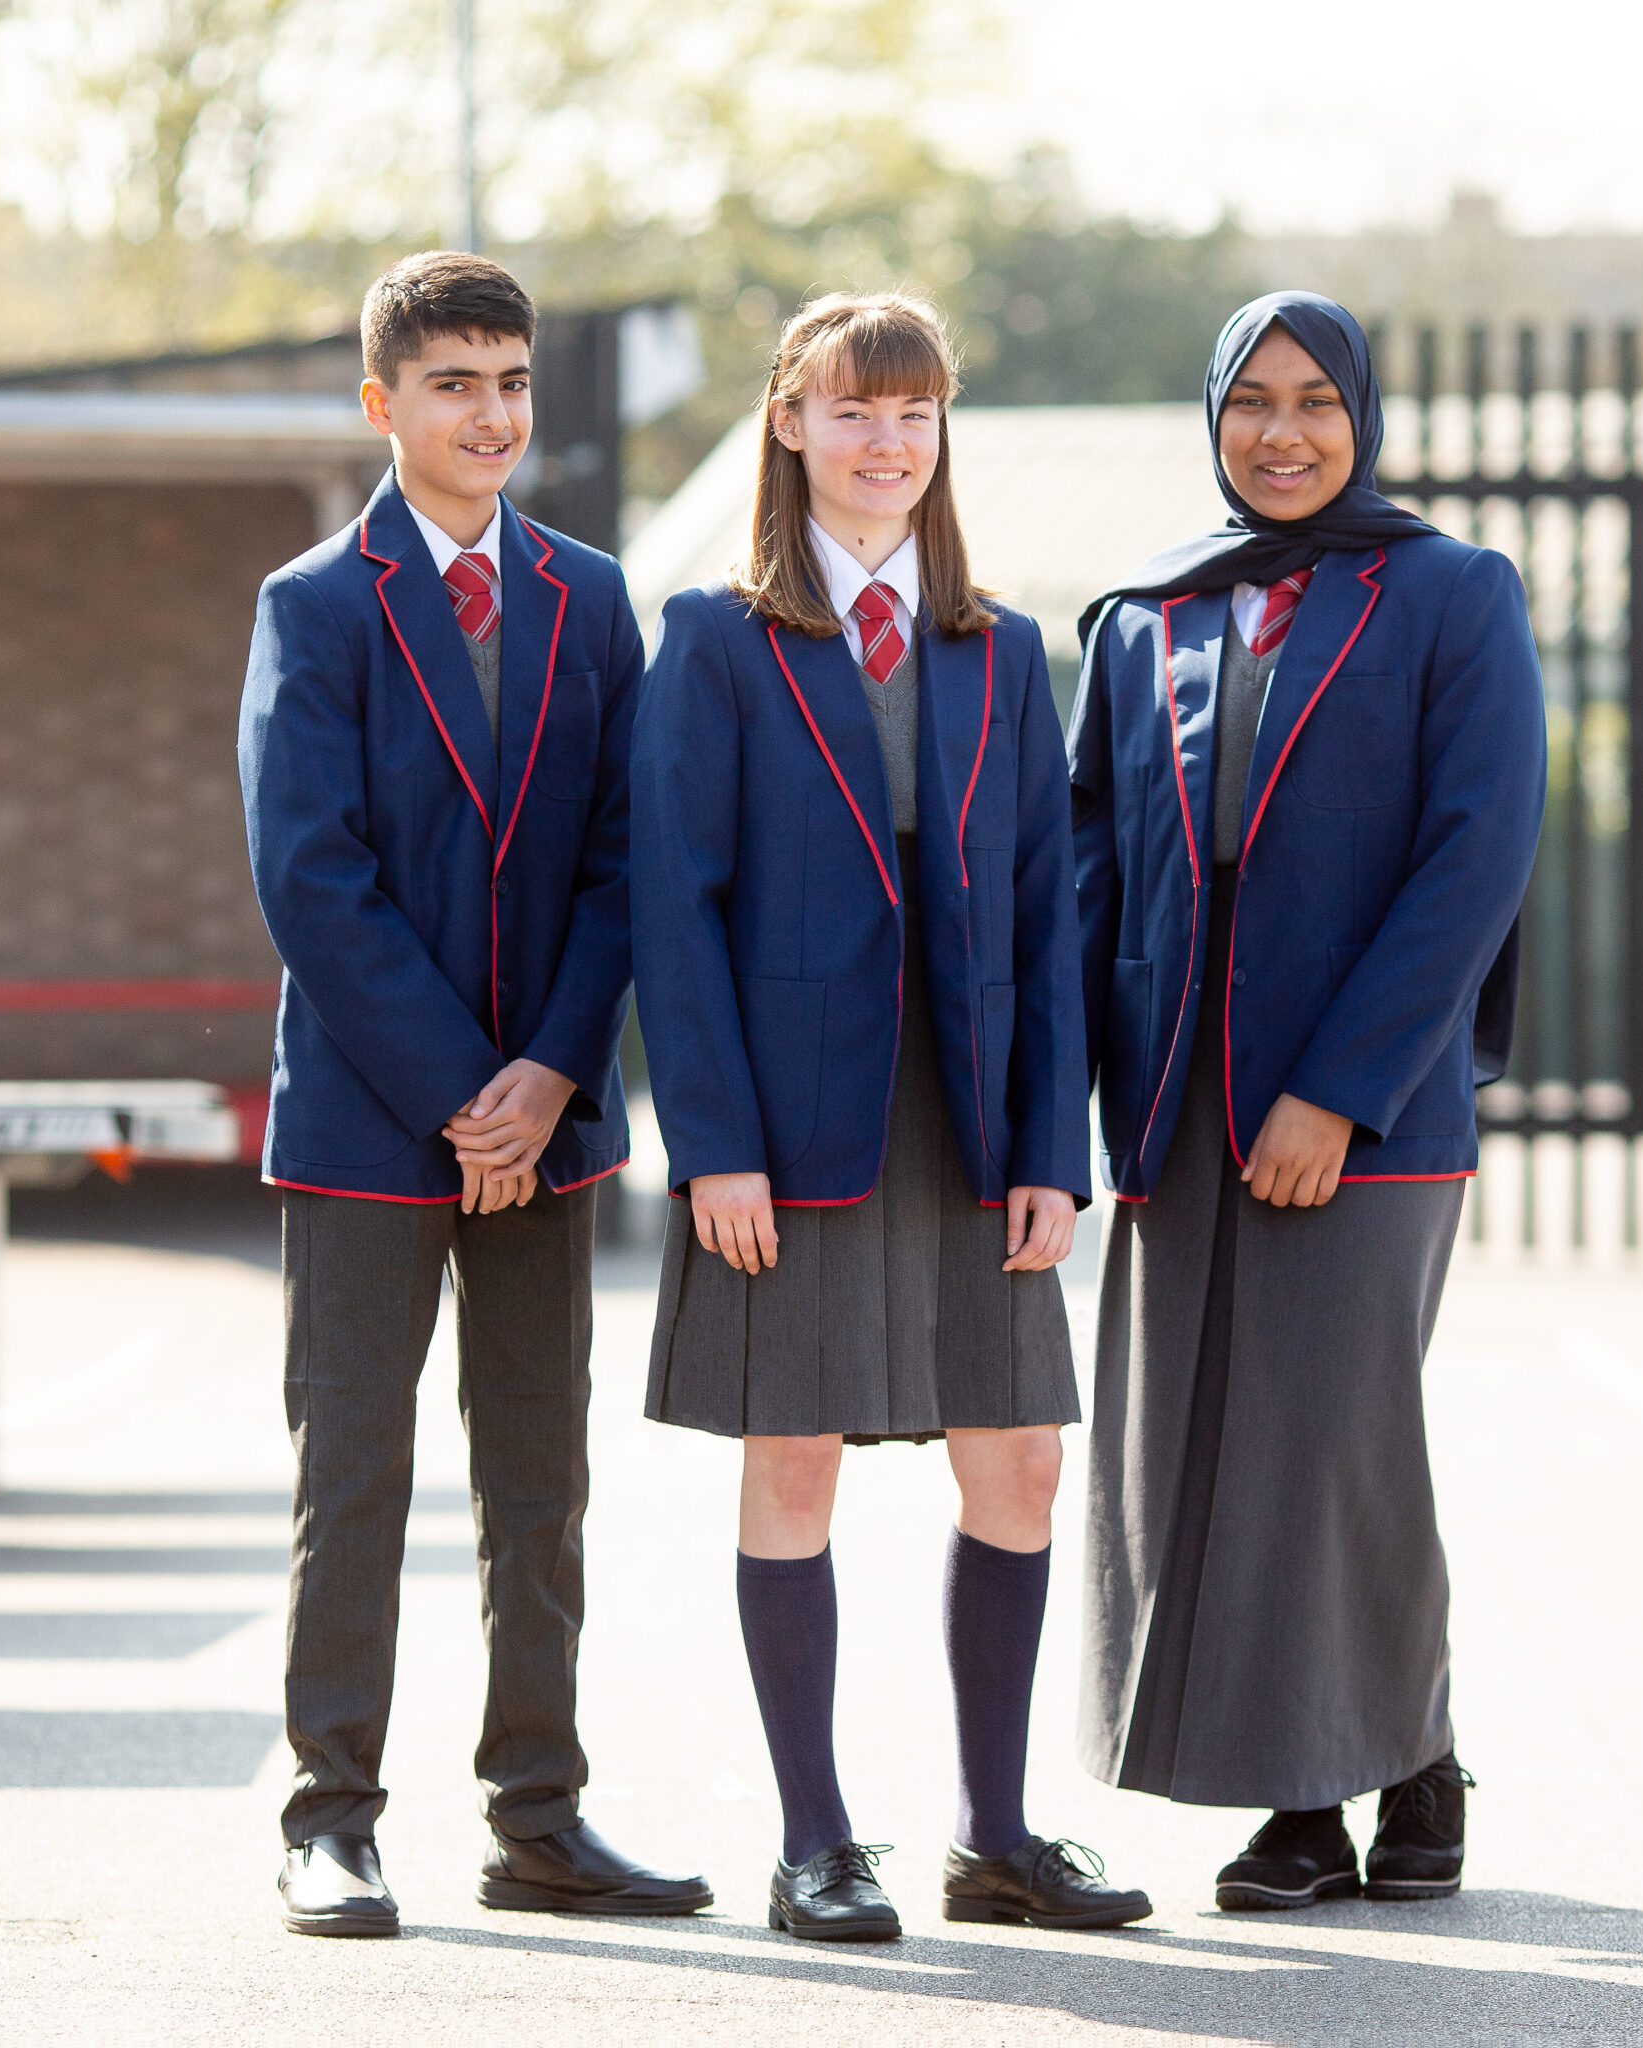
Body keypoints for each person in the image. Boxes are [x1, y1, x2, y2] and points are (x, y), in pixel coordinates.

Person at [631, 292, 1149, 1942]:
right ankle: (815, 1841)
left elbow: (1050, 918)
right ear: (790, 425)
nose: (888, 443)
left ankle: (995, 1837)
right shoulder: (717, 641)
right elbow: (674, 905)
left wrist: (1050, 1153)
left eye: (917, 414)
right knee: (795, 1466)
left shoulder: (1003, 647)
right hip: (789, 1132)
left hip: (977, 1121)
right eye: (855, 412)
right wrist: (712, 1143)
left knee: (1021, 1467)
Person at [239, 250, 709, 1937]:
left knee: (539, 1481)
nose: (492, 412)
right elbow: (314, 879)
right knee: (352, 1475)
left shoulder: (592, 597)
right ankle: (331, 1819)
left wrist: (554, 1073)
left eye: (512, 381)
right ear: (383, 404)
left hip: (553, 1118)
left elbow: (617, 863)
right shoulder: (314, 603)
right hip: (377, 1124)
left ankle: (540, 1818)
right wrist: (465, 1094)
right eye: (454, 383)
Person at [1068, 290, 1546, 1910]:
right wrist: (1045, 1114)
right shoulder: (1145, 618)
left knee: (1337, 1442)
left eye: (1316, 402)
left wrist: (1337, 1091)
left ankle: (1351, 1782)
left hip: (1367, 1110)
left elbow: (1475, 857)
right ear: (1212, 419)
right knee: (1213, 1449)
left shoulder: (1451, 595)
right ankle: (1366, 1781)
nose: (1283, 433)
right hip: (1178, 1110)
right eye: (1252, 403)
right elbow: (1085, 872)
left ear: (1364, 418)